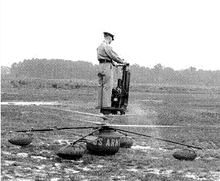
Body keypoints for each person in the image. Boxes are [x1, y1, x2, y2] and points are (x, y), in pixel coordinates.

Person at [96, 32, 127, 108]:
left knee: (101, 86)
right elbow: (113, 56)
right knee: (108, 86)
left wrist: (113, 63)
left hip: (100, 66)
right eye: (111, 40)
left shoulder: (99, 46)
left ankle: (100, 105)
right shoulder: (107, 46)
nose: (111, 42)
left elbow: (106, 57)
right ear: (109, 38)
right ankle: (106, 106)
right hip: (107, 67)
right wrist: (123, 62)